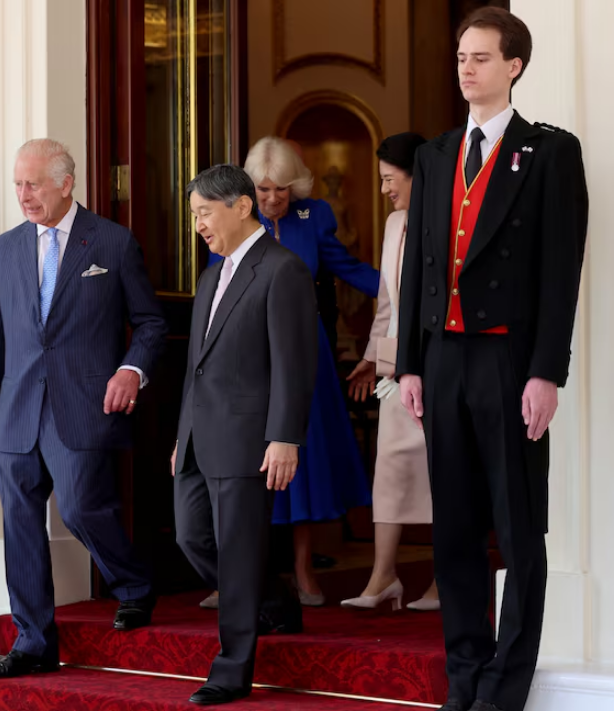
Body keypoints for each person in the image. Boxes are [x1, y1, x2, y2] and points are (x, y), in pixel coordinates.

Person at [396, 9, 588, 711]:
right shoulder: (435, 154)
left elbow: (558, 271)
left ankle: (504, 688)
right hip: (441, 360)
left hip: (509, 362)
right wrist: (407, 363)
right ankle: (465, 676)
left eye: (479, 57)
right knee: (452, 527)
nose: (465, 68)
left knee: (516, 526)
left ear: (513, 66)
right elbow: (418, 265)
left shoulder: (548, 153)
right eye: (460, 57)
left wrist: (546, 371)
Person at [0, 139, 167, 680]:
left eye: (32, 183)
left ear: (66, 182)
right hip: (15, 409)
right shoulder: (6, 246)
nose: (23, 194)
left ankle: (133, 584)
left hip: (82, 404)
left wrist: (131, 370)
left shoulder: (111, 241)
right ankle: (33, 642)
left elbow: (150, 323)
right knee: (20, 525)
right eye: (17, 184)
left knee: (82, 507)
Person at [209, 137, 379, 606]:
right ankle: (238, 577)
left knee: (301, 463)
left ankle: (304, 571)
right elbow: (215, 286)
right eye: (262, 191)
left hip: (306, 352)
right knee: (244, 464)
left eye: (281, 190)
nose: (271, 200)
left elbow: (346, 267)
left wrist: (403, 289)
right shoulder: (234, 217)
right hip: (247, 357)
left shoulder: (314, 216)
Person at [173, 164, 318, 706]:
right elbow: (196, 367)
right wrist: (180, 434)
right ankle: (276, 601)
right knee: (192, 537)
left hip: (248, 438)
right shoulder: (211, 275)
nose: (199, 226)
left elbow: (294, 365)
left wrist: (284, 437)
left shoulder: (283, 271)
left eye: (204, 213)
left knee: (236, 552)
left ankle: (232, 669)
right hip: (198, 438)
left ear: (240, 206)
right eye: (193, 217)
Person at [343, 132, 440, 612]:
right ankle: (383, 578)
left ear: (415, 174)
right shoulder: (396, 224)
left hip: (442, 366)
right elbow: (389, 304)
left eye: (388, 178)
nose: (383, 189)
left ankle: (445, 582)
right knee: (390, 471)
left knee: (447, 476)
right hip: (399, 369)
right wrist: (371, 357)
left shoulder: (449, 217)